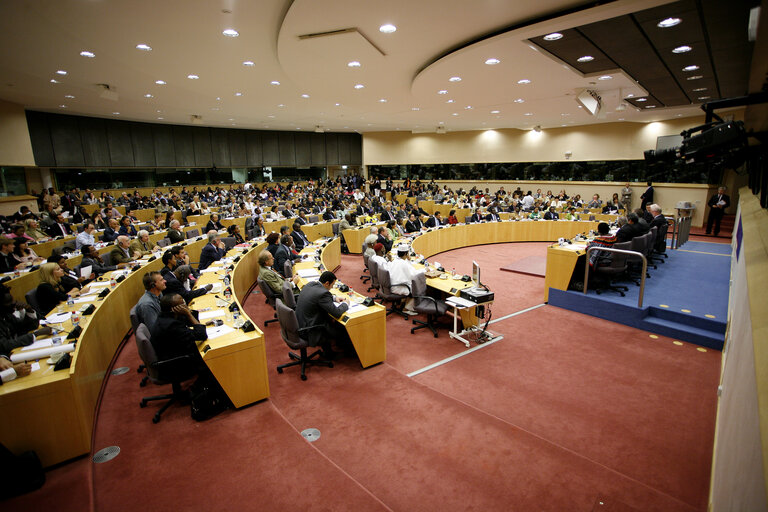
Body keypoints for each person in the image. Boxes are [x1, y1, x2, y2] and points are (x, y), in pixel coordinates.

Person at [295, 270, 351, 357]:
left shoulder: (310, 284)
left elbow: (316, 296)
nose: (331, 288)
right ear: (327, 283)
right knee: (342, 329)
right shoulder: (323, 293)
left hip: (300, 323)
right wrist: (345, 304)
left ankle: (329, 350)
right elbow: (337, 313)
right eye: (332, 285)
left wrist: (334, 298)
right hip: (309, 329)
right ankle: (341, 353)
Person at [149, 293, 208, 374]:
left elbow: (190, 323)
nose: (185, 304)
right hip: (177, 364)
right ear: (176, 309)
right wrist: (189, 314)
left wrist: (188, 312)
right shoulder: (171, 325)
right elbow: (202, 335)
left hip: (174, 353)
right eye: (182, 303)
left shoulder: (165, 315)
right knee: (211, 356)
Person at [388, 245, 423, 315]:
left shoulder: (394, 261)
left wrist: (408, 260)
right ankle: (407, 308)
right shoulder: (404, 263)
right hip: (399, 287)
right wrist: (425, 270)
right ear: (406, 254)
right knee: (417, 286)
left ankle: (403, 302)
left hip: (391, 286)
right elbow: (414, 274)